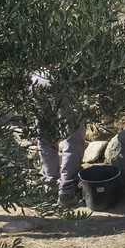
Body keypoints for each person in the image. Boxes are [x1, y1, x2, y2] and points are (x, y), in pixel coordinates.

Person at [31, 71, 85, 206]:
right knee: (74, 137)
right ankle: (67, 189)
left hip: (38, 79)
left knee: (45, 136)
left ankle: (50, 186)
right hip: (64, 78)